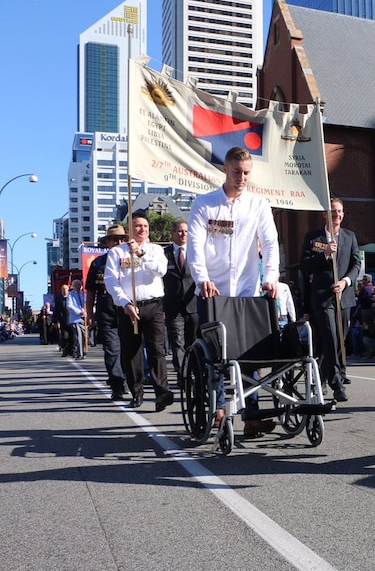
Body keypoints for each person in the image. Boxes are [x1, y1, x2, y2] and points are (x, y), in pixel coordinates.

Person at [187, 146, 281, 435]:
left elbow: (270, 242)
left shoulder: (258, 205)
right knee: (216, 355)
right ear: (225, 170)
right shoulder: (204, 204)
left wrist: (272, 277)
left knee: (251, 356)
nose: (242, 177)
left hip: (247, 288)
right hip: (214, 292)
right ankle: (218, 409)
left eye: (247, 173)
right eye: (237, 171)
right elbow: (194, 246)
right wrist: (201, 277)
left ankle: (252, 416)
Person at [104, 213, 174, 412]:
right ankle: (137, 392)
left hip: (153, 306)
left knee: (157, 349)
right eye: (137, 226)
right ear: (129, 229)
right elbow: (111, 280)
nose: (142, 229)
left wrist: (141, 255)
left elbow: (161, 271)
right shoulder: (117, 253)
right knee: (131, 351)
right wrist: (125, 303)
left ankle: (162, 392)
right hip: (128, 308)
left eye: (145, 226)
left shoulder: (156, 250)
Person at [301, 197, 361, 403]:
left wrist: (345, 282)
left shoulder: (350, 236)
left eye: (340, 211)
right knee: (330, 337)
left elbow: (356, 265)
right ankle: (336, 383)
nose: (337, 215)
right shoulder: (313, 238)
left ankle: (323, 373)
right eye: (333, 211)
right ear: (324, 214)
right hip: (323, 298)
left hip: (343, 297)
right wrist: (324, 254)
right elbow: (305, 265)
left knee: (339, 341)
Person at [85, 224, 128, 400]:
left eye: (121, 239)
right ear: (107, 242)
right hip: (106, 309)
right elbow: (90, 291)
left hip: (127, 308)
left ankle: (129, 380)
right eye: (114, 239)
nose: (118, 242)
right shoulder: (98, 263)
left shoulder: (131, 259)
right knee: (112, 350)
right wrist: (89, 314)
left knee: (129, 348)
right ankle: (117, 384)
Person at [162, 220, 198, 376]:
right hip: (173, 306)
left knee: (194, 341)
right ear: (173, 233)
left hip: (194, 305)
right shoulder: (164, 253)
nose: (183, 234)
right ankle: (182, 374)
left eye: (186, 231)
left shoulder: (196, 252)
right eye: (180, 231)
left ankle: (195, 372)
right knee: (178, 342)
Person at [66, 279, 87, 360]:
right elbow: (69, 306)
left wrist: (86, 312)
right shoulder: (70, 295)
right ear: (73, 286)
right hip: (75, 319)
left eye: (79, 285)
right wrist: (79, 312)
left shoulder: (84, 294)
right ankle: (79, 353)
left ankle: (84, 351)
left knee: (85, 337)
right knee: (78, 337)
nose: (78, 286)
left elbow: (88, 303)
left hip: (84, 318)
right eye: (76, 285)